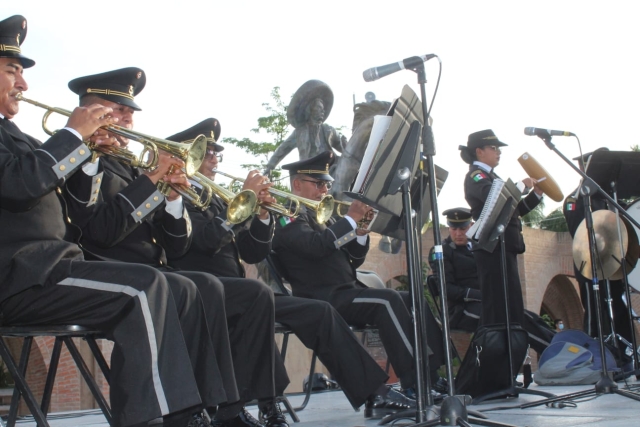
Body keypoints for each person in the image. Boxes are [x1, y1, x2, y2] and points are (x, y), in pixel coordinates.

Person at [0, 15, 215, 427]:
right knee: (145, 287)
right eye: (13, 70)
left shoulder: (22, 138)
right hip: (22, 277)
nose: (24, 84)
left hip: (54, 267)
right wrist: (73, 138)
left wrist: (88, 151)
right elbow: (19, 186)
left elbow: (63, 196)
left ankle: (196, 413)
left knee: (182, 287)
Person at [62, 68, 279, 427]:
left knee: (235, 290)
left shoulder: (132, 166)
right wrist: (151, 181)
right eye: (118, 108)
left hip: (158, 271)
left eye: (130, 110)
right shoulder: (83, 159)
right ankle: (186, 414)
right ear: (89, 111)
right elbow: (100, 230)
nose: (129, 117)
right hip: (108, 267)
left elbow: (176, 245)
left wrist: (174, 198)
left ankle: (224, 409)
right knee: (190, 286)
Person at [167, 119, 416, 420]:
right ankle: (265, 403)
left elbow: (252, 251)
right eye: (207, 153)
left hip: (241, 290)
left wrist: (259, 215)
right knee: (283, 304)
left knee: (317, 313)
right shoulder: (177, 198)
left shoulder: (217, 198)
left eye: (216, 153)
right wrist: (239, 207)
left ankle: (372, 392)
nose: (215, 160)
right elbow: (203, 243)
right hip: (203, 289)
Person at [272, 151, 446, 398]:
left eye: (326, 184)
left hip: (347, 290)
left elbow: (353, 259)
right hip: (322, 296)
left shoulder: (326, 216)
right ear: (297, 184)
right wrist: (351, 220)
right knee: (387, 300)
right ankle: (414, 382)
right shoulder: (287, 216)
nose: (324, 190)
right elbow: (316, 246)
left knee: (413, 297)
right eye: (318, 184)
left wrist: (361, 231)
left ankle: (433, 374)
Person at [428, 207, 554, 353]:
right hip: (460, 310)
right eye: (453, 229)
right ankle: (553, 351)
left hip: (485, 303)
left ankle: (561, 344)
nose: (458, 234)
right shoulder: (442, 251)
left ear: (471, 226)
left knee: (525, 316)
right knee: (512, 320)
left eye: (463, 229)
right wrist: (482, 295)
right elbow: (446, 289)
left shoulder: (478, 245)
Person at [459, 129, 543, 327]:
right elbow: (493, 198)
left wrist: (535, 195)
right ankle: (499, 347)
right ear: (479, 151)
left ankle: (512, 346)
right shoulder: (476, 176)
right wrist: (520, 186)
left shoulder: (492, 176)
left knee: (511, 304)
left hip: (503, 246)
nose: (499, 152)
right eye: (494, 148)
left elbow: (513, 211)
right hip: (492, 248)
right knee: (498, 306)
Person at [563, 148, 634, 357]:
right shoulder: (574, 199)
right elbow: (579, 232)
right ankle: (598, 353)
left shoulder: (609, 198)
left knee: (619, 309)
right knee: (595, 312)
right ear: (583, 169)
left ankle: (625, 352)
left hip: (612, 265)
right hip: (590, 267)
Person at [264, 80, 346, 176]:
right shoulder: (299, 132)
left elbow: (343, 150)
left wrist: (346, 146)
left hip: (329, 172)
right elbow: (282, 149)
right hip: (308, 173)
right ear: (310, 110)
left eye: (323, 109)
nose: (323, 111)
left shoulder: (329, 130)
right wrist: (270, 167)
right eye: (319, 108)